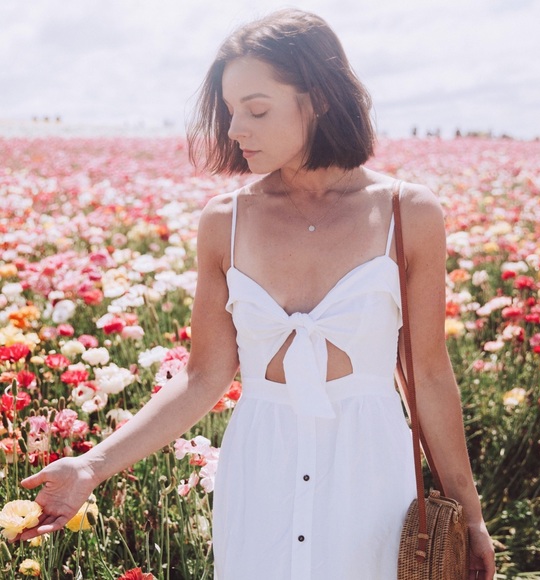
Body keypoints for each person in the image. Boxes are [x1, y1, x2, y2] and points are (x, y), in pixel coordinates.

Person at [18, 9, 495, 579]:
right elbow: (203, 378)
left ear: (319, 98)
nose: (234, 129)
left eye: (257, 109)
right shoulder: (225, 221)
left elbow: (429, 376)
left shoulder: (407, 213)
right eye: (229, 110)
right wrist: (91, 467)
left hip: (371, 478)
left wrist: (470, 516)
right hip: (259, 477)